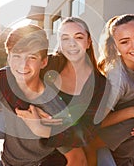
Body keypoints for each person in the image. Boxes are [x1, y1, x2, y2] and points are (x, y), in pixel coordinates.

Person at [0, 24, 88, 166]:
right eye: (16, 56)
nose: (23, 64)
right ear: (8, 58)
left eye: (32, 57)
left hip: (41, 163)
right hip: (7, 163)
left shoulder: (54, 108)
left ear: (43, 62)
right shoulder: (2, 86)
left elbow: (79, 160)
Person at [13, 17, 107, 162]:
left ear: (88, 42)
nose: (72, 44)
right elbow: (8, 75)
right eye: (65, 38)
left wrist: (45, 130)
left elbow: (88, 131)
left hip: (66, 153)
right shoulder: (49, 63)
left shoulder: (100, 83)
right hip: (31, 148)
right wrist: (29, 110)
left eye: (79, 37)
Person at [91, 14, 134, 165]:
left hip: (129, 134)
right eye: (125, 42)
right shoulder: (116, 78)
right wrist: (133, 111)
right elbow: (96, 122)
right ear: (115, 47)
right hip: (100, 137)